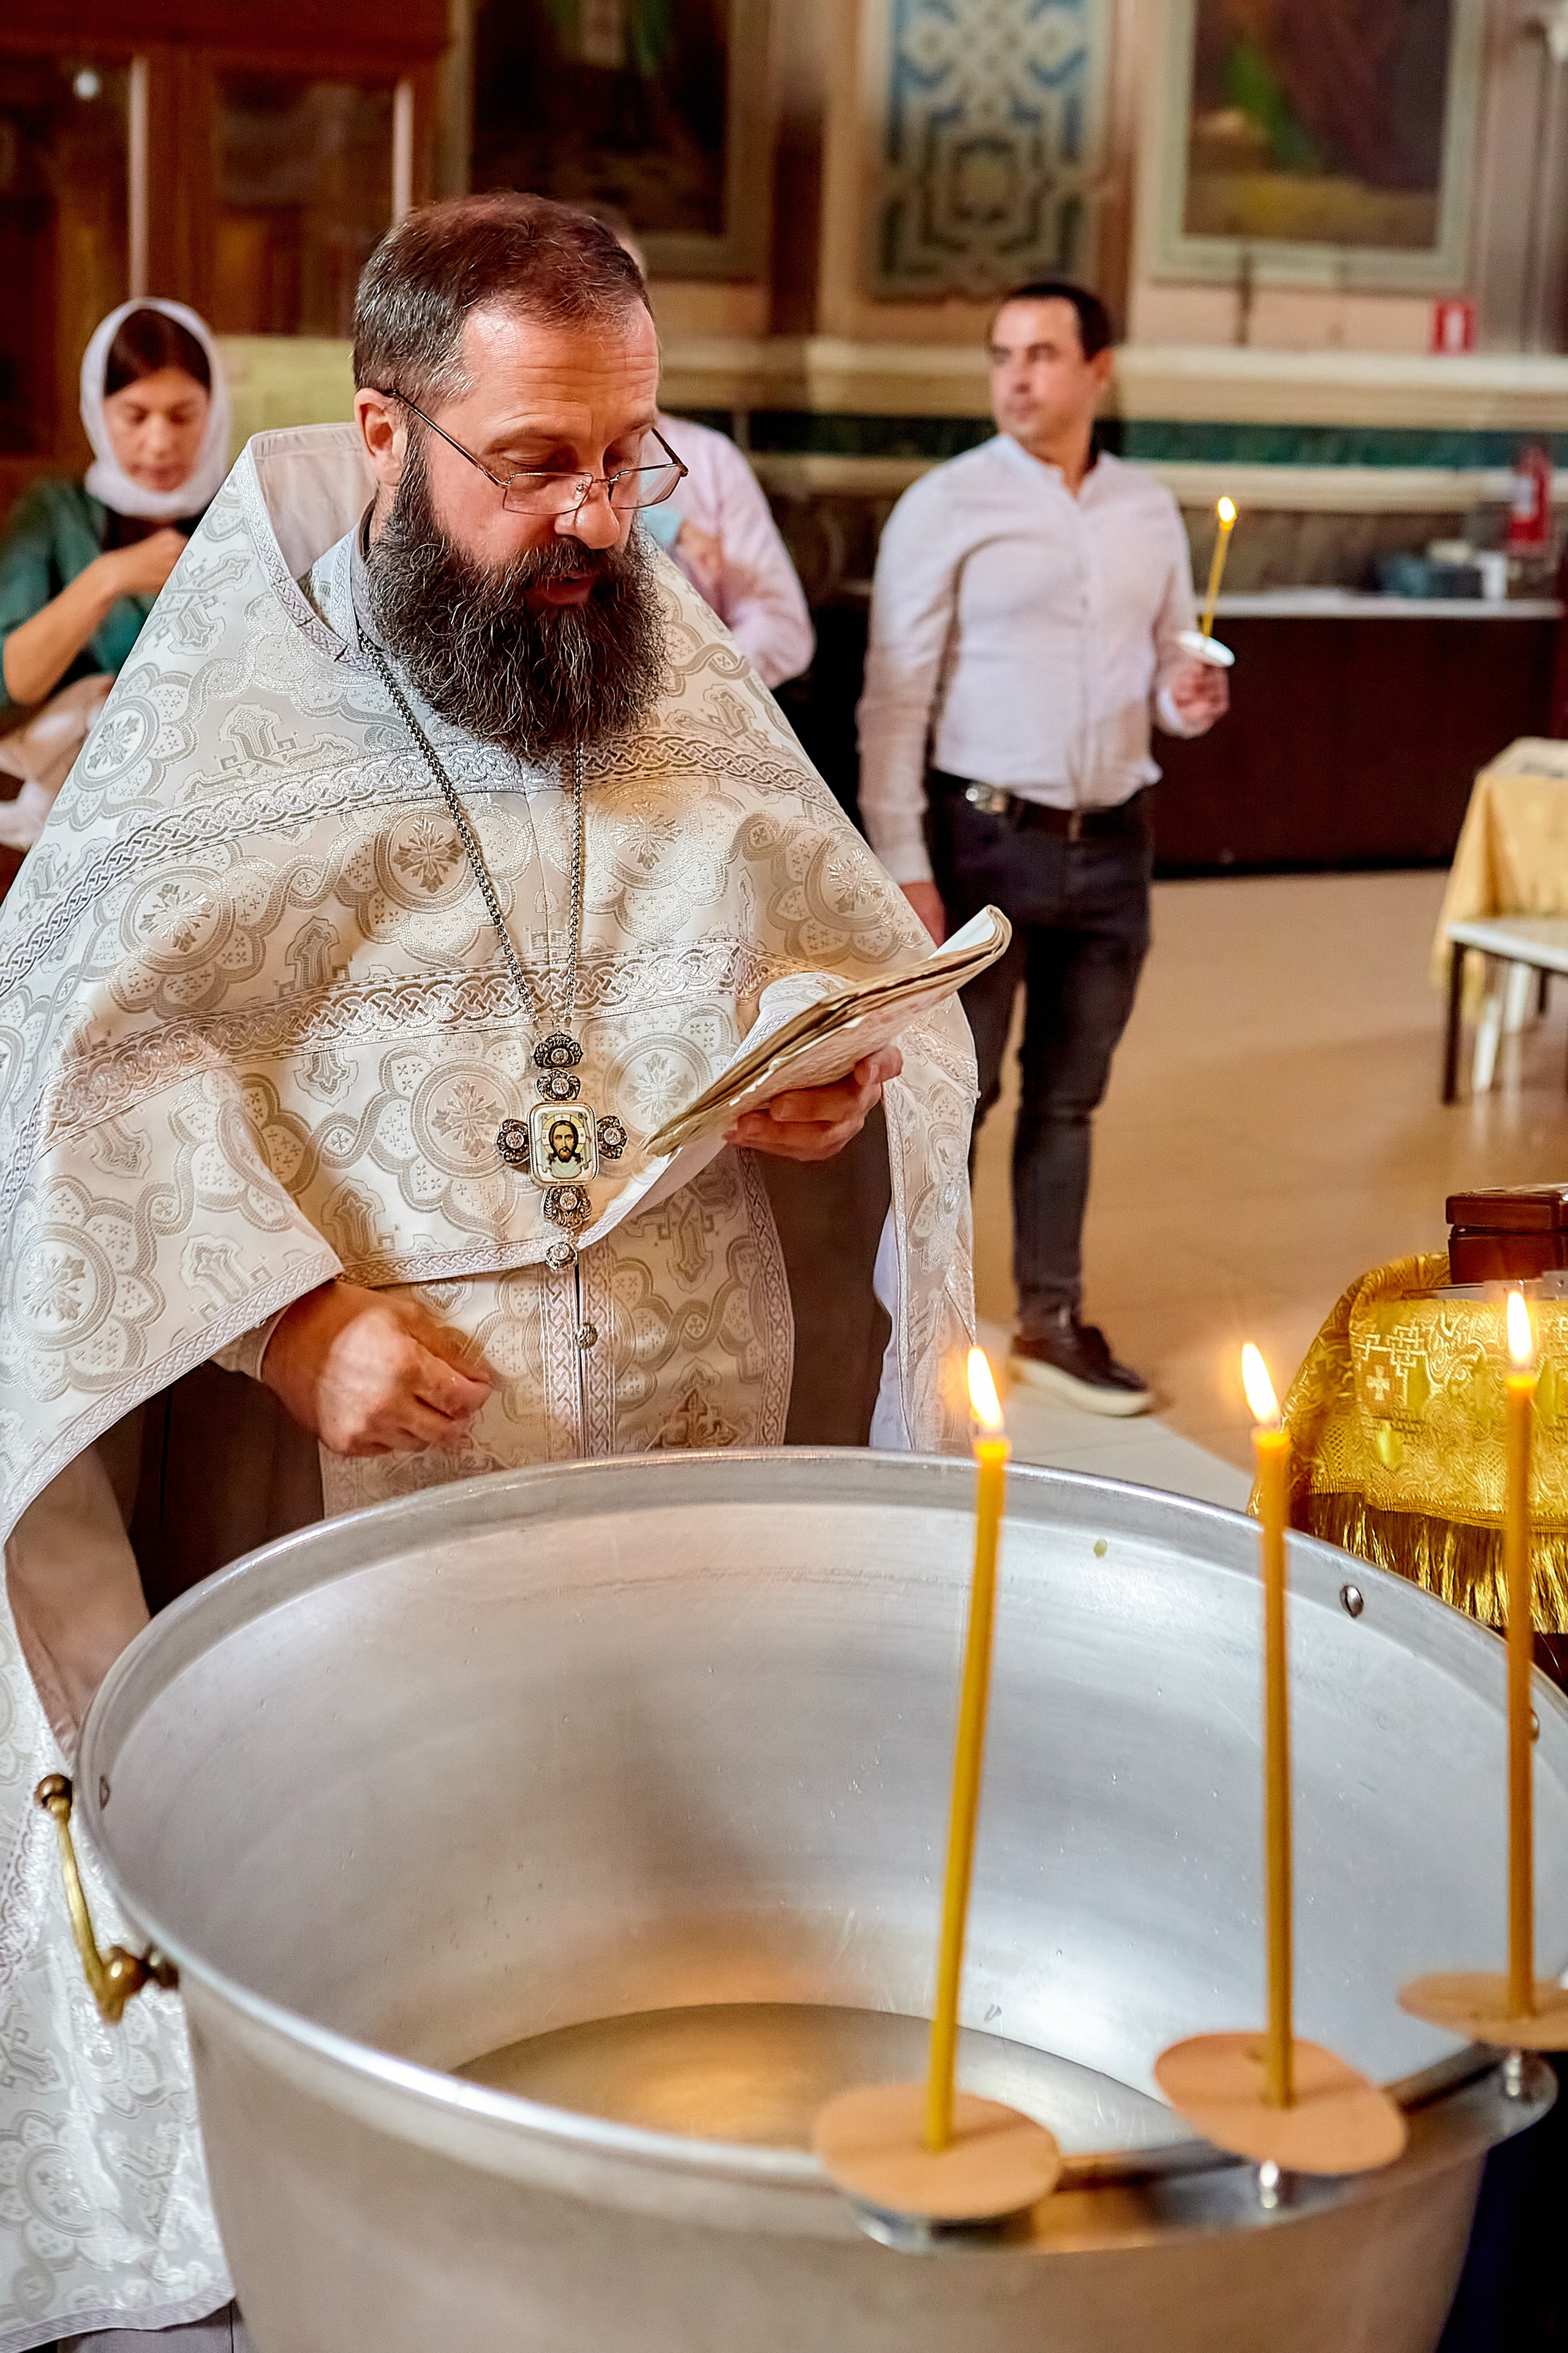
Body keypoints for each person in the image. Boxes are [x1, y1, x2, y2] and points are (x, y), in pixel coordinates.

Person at [0, 195, 974, 2344]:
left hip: (691, 1423)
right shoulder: (237, 704)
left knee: (659, 1928)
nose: (597, 518)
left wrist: (817, 1069)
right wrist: (288, 1318)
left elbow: (805, 915)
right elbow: (79, 1059)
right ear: (385, 430)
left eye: (636, 457)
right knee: (387, 1937)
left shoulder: (645, 628)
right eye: (536, 460)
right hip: (358, 1459)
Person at [858, 279, 1229, 1416]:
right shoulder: (948, 504)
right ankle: (934, 1328)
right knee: (952, 1099)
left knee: (1069, 1099)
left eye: (1043, 354)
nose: (1017, 375)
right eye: (1003, 354)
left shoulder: (1148, 509)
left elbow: (1167, 668)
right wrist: (903, 859)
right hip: (983, 843)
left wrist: (1186, 697)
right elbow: (893, 699)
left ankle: (1054, 1319)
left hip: (1114, 844)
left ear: (1097, 370)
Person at [0, 299, 228, 851]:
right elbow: (10, 683)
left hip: (207, 813)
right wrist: (107, 577)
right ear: (98, 412)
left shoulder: (241, 514)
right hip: (72, 831)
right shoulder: (54, 514)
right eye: (135, 415)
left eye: (182, 416)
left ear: (214, 410)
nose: (159, 443)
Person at [582, 206, 813, 689]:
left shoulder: (709, 459)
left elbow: (782, 625)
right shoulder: (501, 462)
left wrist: (697, 692)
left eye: (629, 294)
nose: (609, 319)